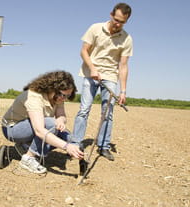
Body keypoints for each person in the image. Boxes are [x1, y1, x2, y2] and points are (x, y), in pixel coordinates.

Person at [73, 3, 133, 161]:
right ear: (111, 14)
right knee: (84, 109)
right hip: (90, 73)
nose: (118, 24)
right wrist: (92, 68)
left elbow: (123, 65)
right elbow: (83, 51)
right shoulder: (95, 28)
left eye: (122, 22)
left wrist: (123, 91)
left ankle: (104, 146)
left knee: (108, 113)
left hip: (110, 76)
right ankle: (75, 143)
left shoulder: (126, 39)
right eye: (116, 19)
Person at [1, 70, 84, 174]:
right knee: (50, 125)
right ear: (52, 88)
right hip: (12, 129)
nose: (64, 99)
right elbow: (39, 130)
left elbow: (61, 115)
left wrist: (60, 120)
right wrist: (67, 147)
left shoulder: (58, 98)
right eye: (63, 95)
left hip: (32, 126)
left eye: (68, 96)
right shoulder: (34, 96)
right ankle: (28, 159)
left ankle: (26, 146)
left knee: (71, 138)